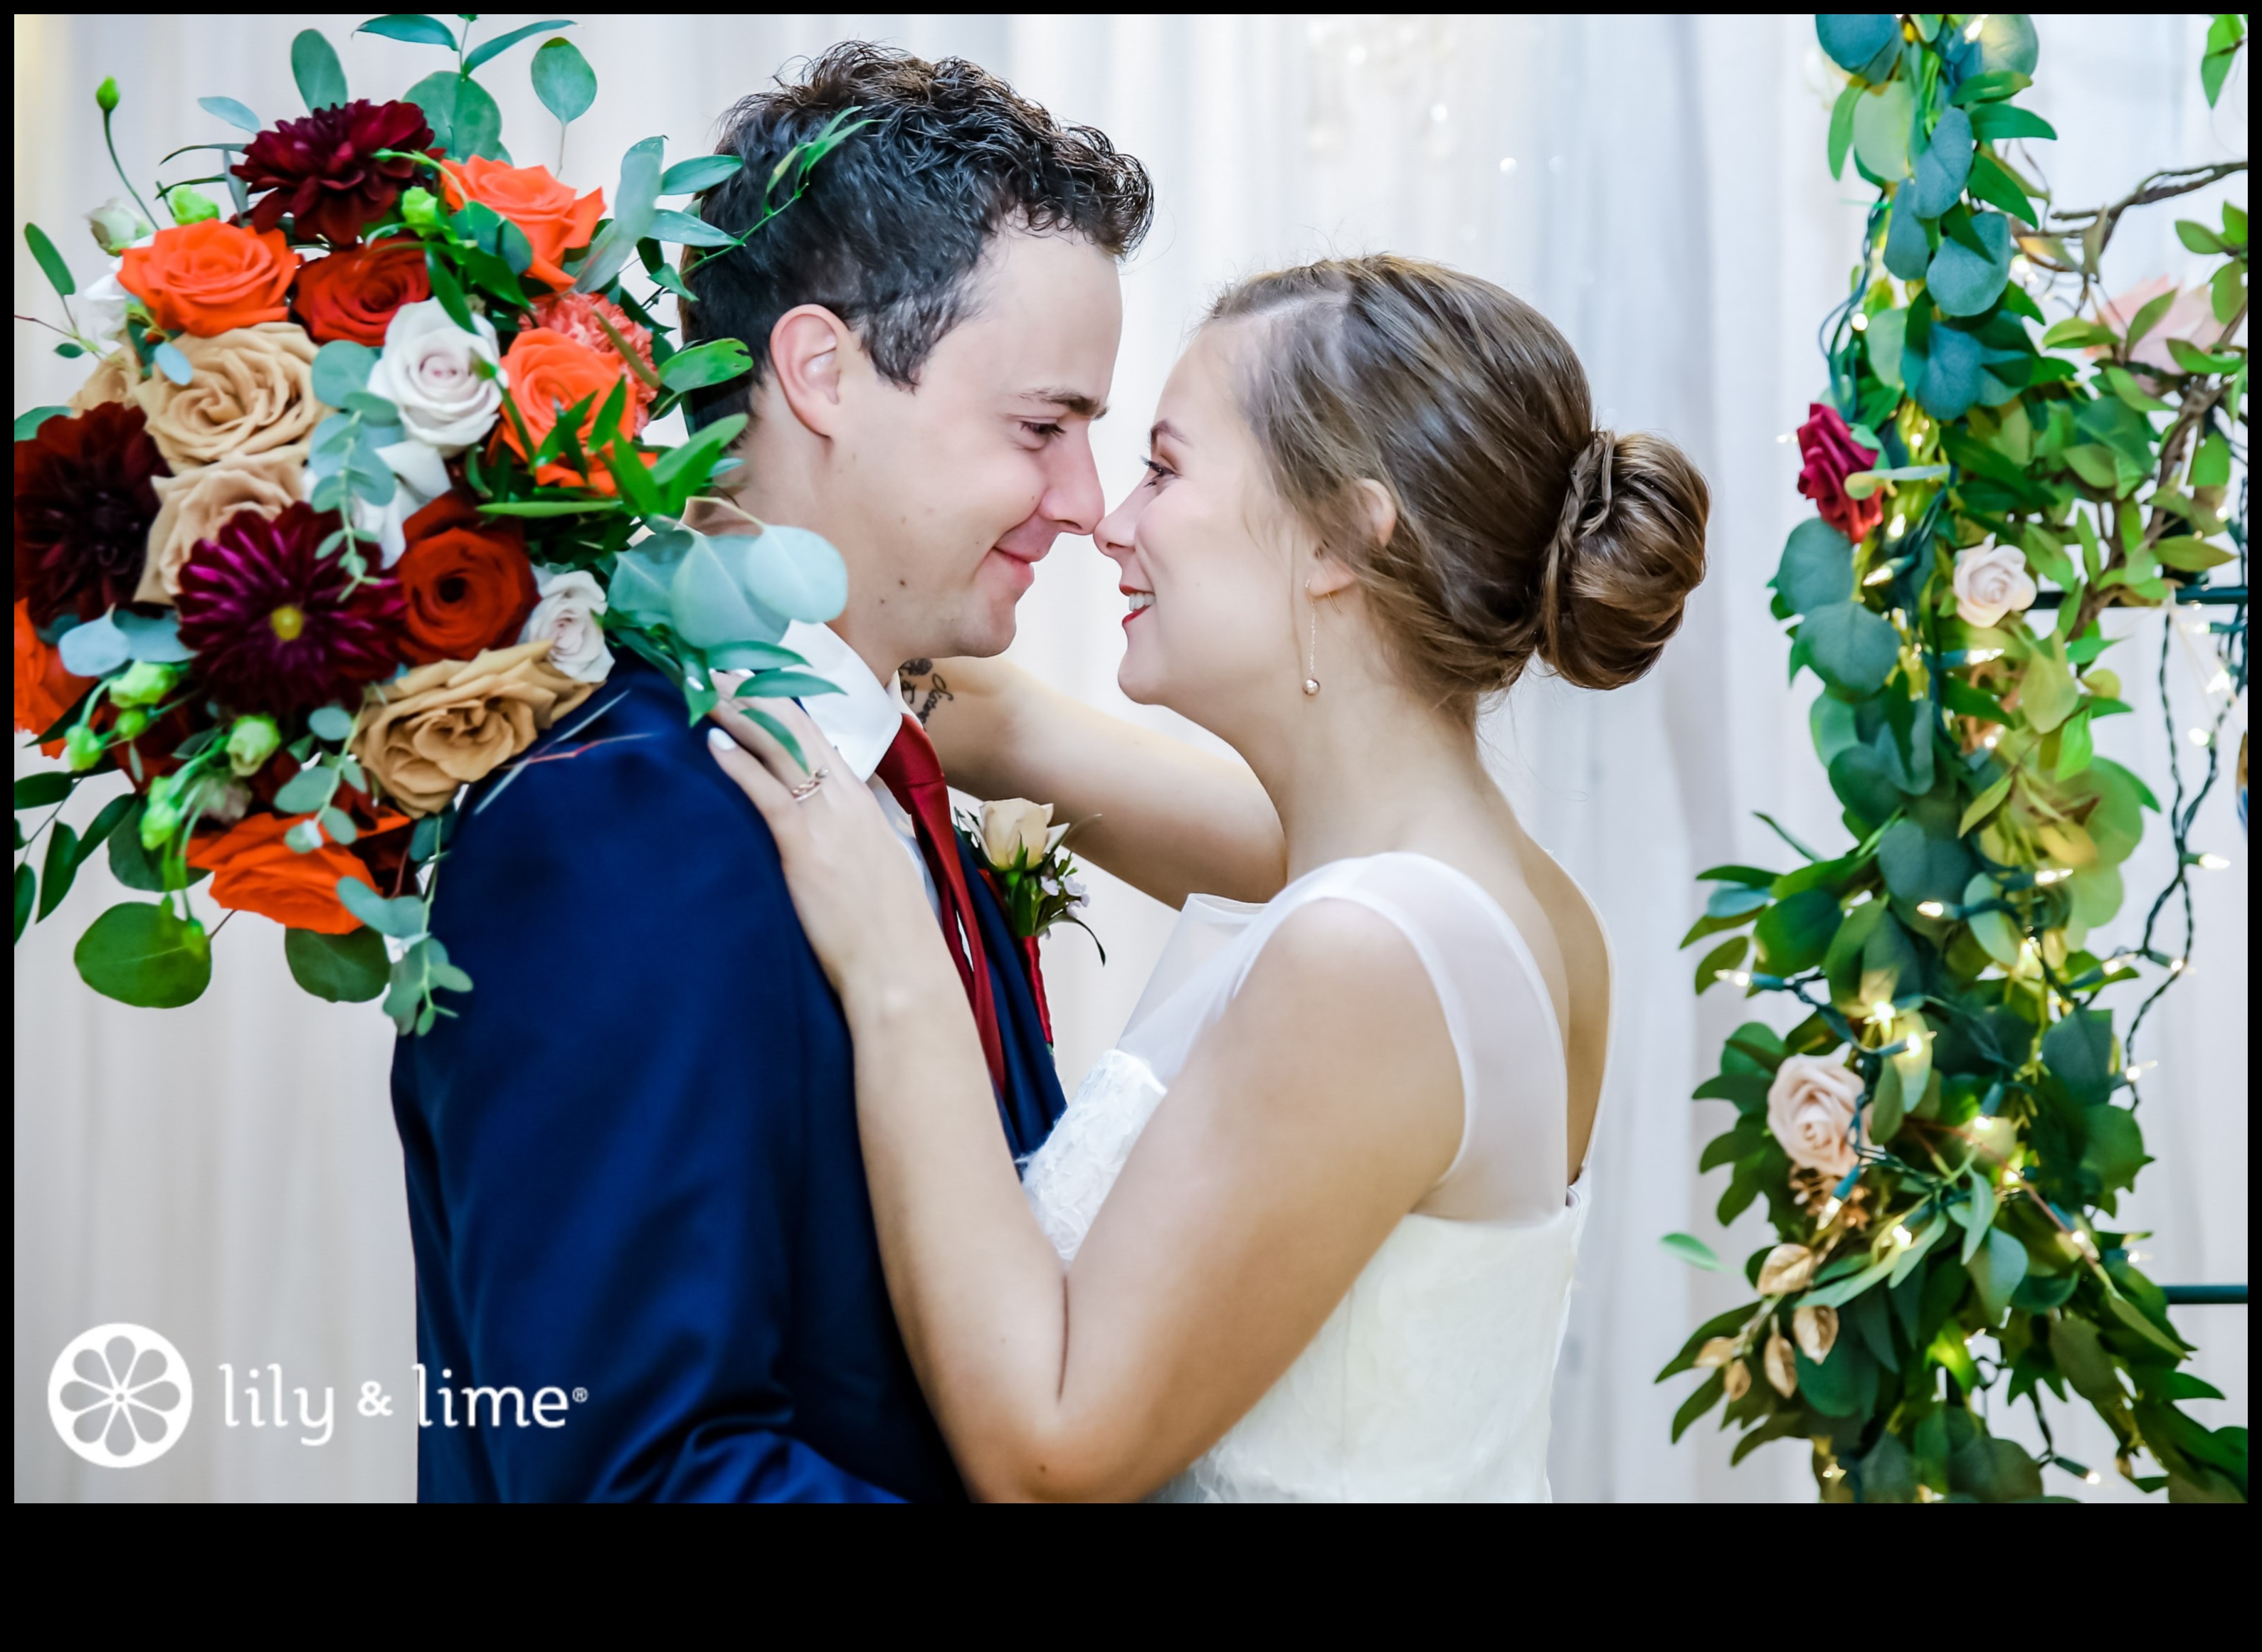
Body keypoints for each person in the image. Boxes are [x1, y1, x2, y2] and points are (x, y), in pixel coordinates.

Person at [707, 254, 1710, 1500]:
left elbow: (1047, 1453)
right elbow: (998, 723)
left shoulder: (1376, 956)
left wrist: (894, 959)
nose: (1107, 519)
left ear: (1346, 534)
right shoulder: (1498, 893)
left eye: (1165, 468)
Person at [390, 45, 1158, 1501]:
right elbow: (637, 1472)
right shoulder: (615, 827)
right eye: (1044, 428)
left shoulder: (882, 774)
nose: (1083, 504)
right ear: (822, 372)